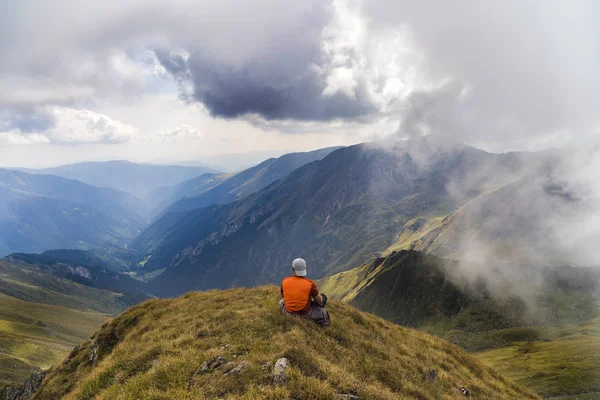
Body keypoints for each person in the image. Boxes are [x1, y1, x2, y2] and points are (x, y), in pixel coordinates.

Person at [279, 258, 330, 327]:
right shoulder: (310, 284)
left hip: (287, 312)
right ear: (305, 269)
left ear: (293, 269)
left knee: (282, 302)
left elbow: (283, 296)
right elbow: (318, 301)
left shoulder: (284, 281)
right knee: (323, 302)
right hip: (304, 313)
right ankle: (321, 324)